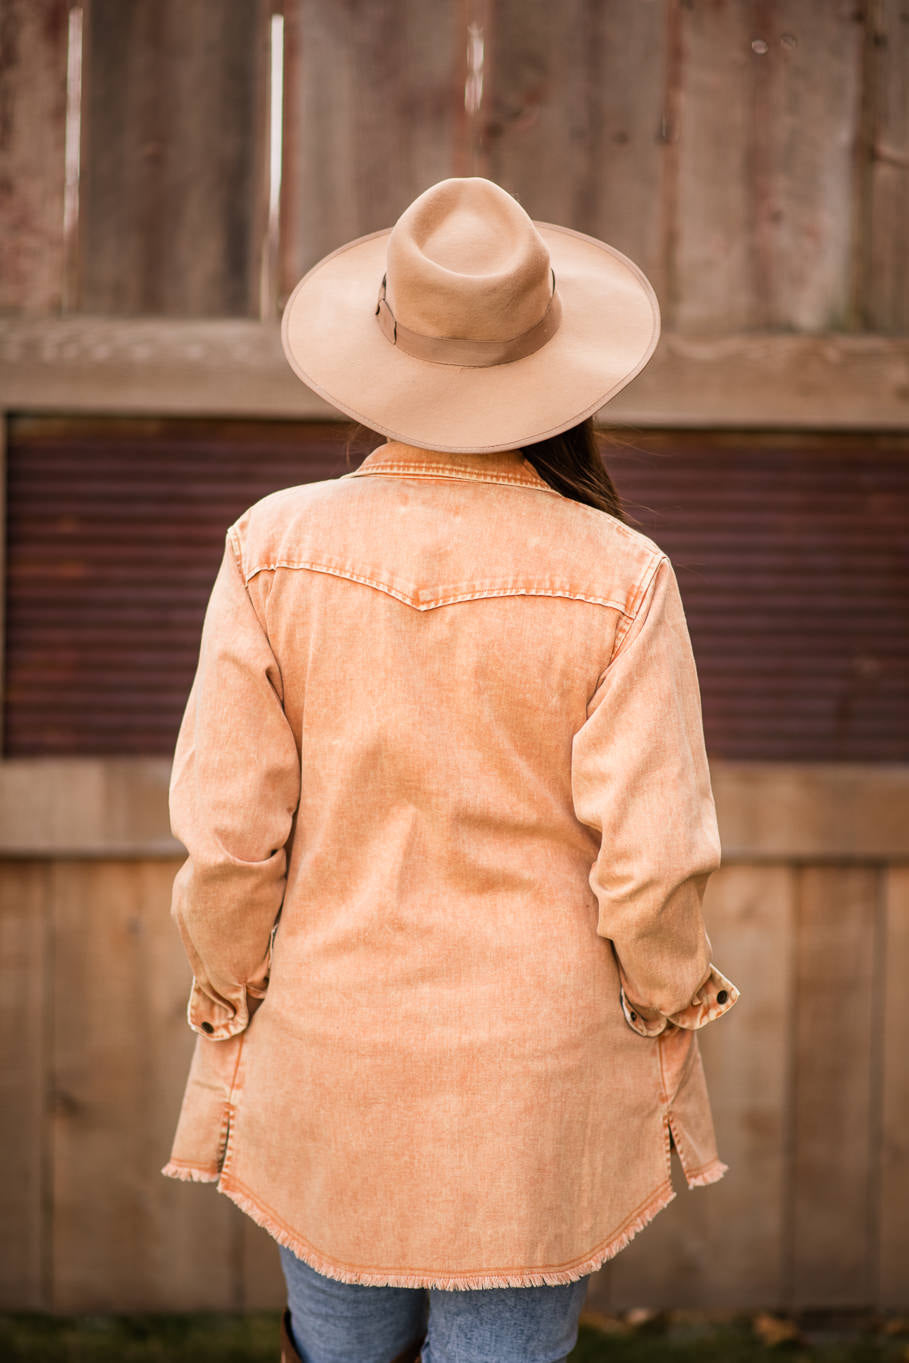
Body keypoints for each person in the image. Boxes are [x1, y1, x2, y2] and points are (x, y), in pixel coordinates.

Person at [162, 177, 740, 1363]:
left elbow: (228, 836)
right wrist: (667, 1006)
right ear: (560, 364)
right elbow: (655, 860)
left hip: (327, 1042)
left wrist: (230, 994)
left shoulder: (272, 545)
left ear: (382, 347)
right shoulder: (625, 572)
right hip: (536, 1076)